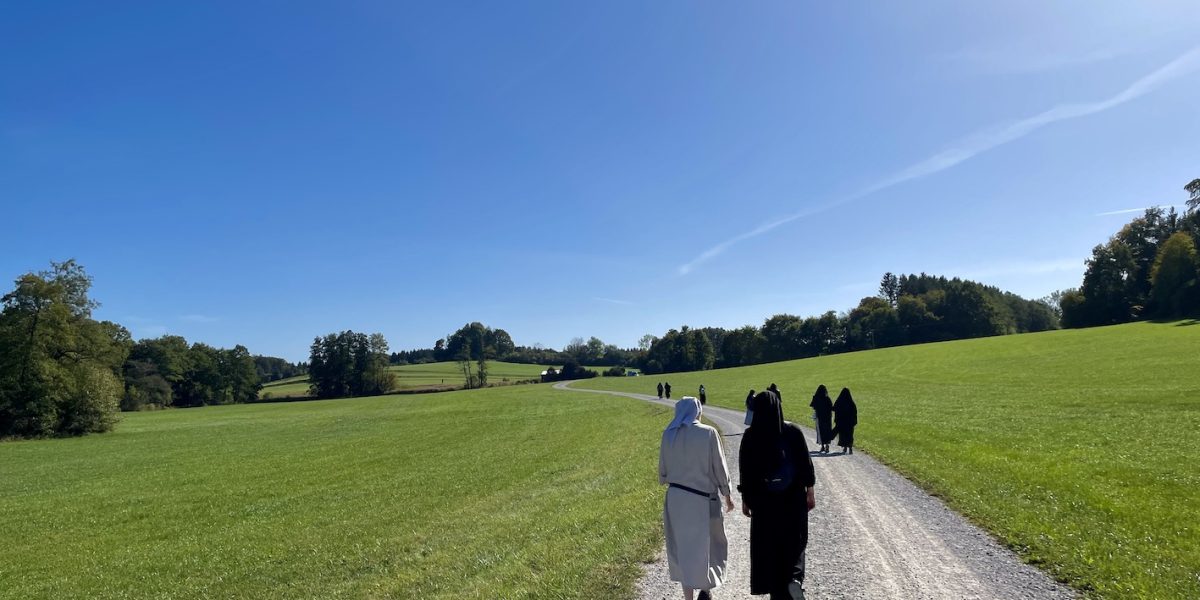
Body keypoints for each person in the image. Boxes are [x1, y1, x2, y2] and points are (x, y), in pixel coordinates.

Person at [739, 391, 816, 599]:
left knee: (769, 549)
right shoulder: (793, 432)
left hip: (764, 505)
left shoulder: (750, 436)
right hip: (793, 501)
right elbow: (805, 466)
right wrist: (810, 491)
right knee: (796, 542)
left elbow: (745, 471)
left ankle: (776, 591)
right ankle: (795, 579)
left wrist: (746, 500)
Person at [659, 397, 735, 600]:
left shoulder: (668, 434)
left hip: (676, 500)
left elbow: (663, 471)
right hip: (701, 498)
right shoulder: (707, 433)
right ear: (697, 411)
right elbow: (719, 467)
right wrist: (727, 495)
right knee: (709, 546)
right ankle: (706, 589)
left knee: (684, 549)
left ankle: (688, 597)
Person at [808, 385, 834, 454]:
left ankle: (822, 446)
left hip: (819, 417)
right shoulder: (827, 398)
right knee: (827, 430)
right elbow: (831, 407)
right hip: (827, 417)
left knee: (820, 431)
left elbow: (812, 406)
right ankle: (827, 445)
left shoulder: (816, 397)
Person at [833, 387, 858, 455]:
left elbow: (834, 408)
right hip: (849, 422)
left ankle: (845, 447)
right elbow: (855, 412)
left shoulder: (839, 401)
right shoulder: (851, 403)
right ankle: (850, 447)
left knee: (843, 434)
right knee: (849, 434)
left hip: (841, 422)